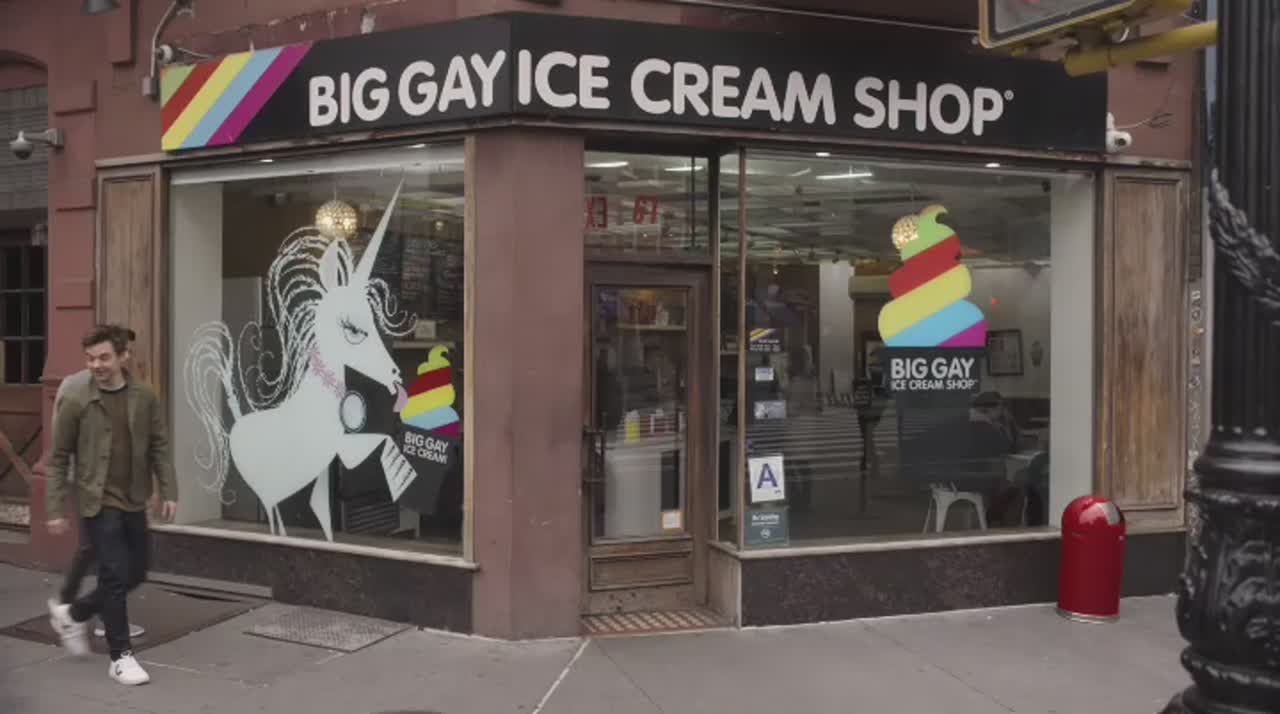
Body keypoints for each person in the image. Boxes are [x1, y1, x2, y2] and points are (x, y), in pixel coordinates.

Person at [45, 325, 178, 686]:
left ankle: (74, 613)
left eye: (104, 358)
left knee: (137, 573)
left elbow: (159, 446)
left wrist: (168, 490)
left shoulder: (144, 396)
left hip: (133, 497)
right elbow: (58, 458)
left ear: (123, 356)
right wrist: (55, 508)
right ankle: (120, 657)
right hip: (96, 499)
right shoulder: (76, 396)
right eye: (90, 359)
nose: (96, 365)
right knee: (114, 576)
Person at [48, 327, 146, 642]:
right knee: (104, 554)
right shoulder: (77, 386)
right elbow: (61, 438)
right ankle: (85, 612)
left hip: (115, 488)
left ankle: (71, 606)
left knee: (96, 550)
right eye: (96, 357)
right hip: (89, 482)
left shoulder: (130, 387)